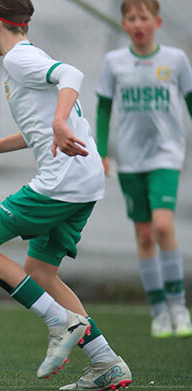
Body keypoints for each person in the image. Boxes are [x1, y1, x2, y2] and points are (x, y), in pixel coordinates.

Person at [0, 1, 132, 389]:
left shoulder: (18, 58)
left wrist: (58, 120)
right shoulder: (30, 57)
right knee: (40, 272)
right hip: (84, 182)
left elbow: (71, 74)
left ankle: (60, 322)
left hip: (62, 182)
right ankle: (107, 363)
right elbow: (41, 128)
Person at [95, 0, 192, 339]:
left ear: (157, 21)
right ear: (123, 23)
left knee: (164, 226)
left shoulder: (176, 60)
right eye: (131, 18)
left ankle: (179, 306)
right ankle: (158, 312)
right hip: (131, 161)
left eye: (144, 17)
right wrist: (103, 151)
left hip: (166, 156)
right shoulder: (114, 62)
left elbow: (190, 101)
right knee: (145, 235)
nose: (138, 23)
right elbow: (104, 109)